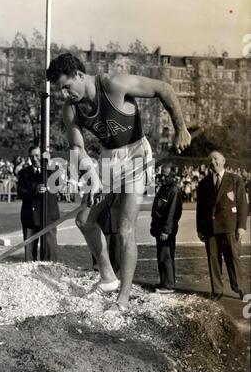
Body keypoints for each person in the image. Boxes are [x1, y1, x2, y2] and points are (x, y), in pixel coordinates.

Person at [47, 53, 191, 311]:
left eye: (67, 87)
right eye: (61, 90)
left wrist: (181, 128)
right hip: (107, 160)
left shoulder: (114, 84)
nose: (65, 94)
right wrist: (91, 174)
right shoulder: (71, 109)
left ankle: (123, 299)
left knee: (125, 229)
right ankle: (108, 277)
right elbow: (76, 147)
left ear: (79, 75)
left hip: (136, 154)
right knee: (84, 220)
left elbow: (164, 89)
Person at [196, 150, 248, 301]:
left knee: (233, 258)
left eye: (216, 159)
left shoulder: (235, 179)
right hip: (210, 228)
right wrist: (200, 228)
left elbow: (243, 205)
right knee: (213, 260)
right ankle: (217, 290)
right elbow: (201, 208)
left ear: (224, 160)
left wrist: (241, 226)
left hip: (230, 227)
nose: (213, 162)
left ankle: (241, 289)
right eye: (210, 160)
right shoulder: (204, 183)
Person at [17, 145, 60, 262]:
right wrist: (35, 189)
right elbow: (20, 192)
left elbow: (58, 184)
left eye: (37, 156)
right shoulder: (24, 173)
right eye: (31, 156)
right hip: (30, 215)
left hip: (48, 214)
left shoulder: (53, 169)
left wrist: (49, 162)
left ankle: (51, 268)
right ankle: (30, 270)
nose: (34, 159)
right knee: (30, 249)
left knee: (50, 247)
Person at [150, 163, 183, 293]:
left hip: (166, 230)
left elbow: (173, 213)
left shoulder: (174, 191)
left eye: (165, 176)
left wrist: (166, 230)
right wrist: (154, 226)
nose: (162, 178)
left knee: (166, 255)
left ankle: (169, 285)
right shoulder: (163, 189)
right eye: (161, 175)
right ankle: (164, 282)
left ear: (172, 176)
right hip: (159, 228)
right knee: (161, 255)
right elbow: (156, 209)